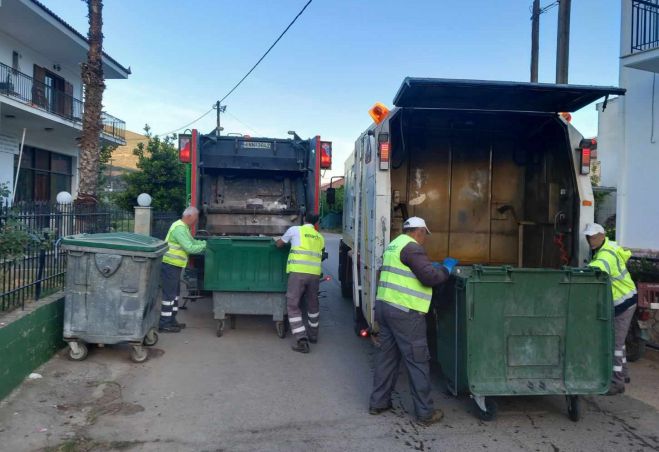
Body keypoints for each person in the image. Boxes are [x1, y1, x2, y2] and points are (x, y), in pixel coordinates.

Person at [368, 217, 455, 426]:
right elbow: (430, 278)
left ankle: (378, 403)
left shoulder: (393, 245)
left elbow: (406, 273)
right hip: (405, 313)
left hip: (385, 307)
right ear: (419, 232)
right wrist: (445, 269)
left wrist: (428, 266)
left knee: (387, 358)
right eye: (425, 234)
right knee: (418, 360)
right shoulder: (412, 248)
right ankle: (425, 413)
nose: (425, 239)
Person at [584, 223, 637, 395]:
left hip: (623, 302)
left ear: (602, 235)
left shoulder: (605, 255)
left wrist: (579, 272)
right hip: (625, 300)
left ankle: (617, 383)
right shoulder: (608, 246)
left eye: (593, 236)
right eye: (588, 237)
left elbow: (596, 268)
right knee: (618, 341)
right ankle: (624, 374)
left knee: (615, 343)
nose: (590, 240)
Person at [276, 213, 325, 354]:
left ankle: (301, 340)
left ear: (304, 219)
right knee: (313, 305)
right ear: (316, 223)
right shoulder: (320, 237)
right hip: (314, 274)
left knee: (292, 305)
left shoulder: (295, 230)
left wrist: (276, 241)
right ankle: (313, 336)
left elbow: (280, 244)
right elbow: (320, 252)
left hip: (298, 273)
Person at [159, 206, 207, 333]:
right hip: (170, 265)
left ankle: (172, 320)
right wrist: (206, 246)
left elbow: (193, 242)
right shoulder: (179, 228)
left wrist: (205, 242)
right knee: (169, 296)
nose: (196, 221)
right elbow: (190, 248)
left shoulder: (184, 228)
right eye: (195, 218)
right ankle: (164, 324)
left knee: (175, 295)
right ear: (189, 216)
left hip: (175, 266)